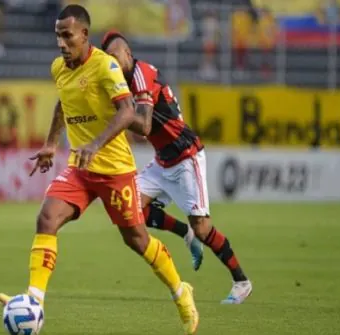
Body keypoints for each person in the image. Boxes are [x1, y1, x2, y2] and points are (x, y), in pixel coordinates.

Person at [0, 4, 199, 335]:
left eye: (67, 35)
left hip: (115, 169)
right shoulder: (59, 68)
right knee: (46, 219)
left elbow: (127, 110)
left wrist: (96, 144)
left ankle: (181, 291)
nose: (61, 43)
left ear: (84, 35)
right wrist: (50, 143)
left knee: (136, 239)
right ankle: (34, 301)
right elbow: (64, 102)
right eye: (58, 36)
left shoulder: (105, 66)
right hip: (80, 168)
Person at [101, 30, 253, 304]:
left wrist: (119, 117)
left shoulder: (140, 73)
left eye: (114, 57)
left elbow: (144, 124)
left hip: (186, 156)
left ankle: (241, 281)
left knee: (204, 228)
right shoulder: (119, 82)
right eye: (106, 59)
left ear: (127, 53)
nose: (111, 63)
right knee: (131, 206)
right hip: (163, 159)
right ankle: (185, 233)